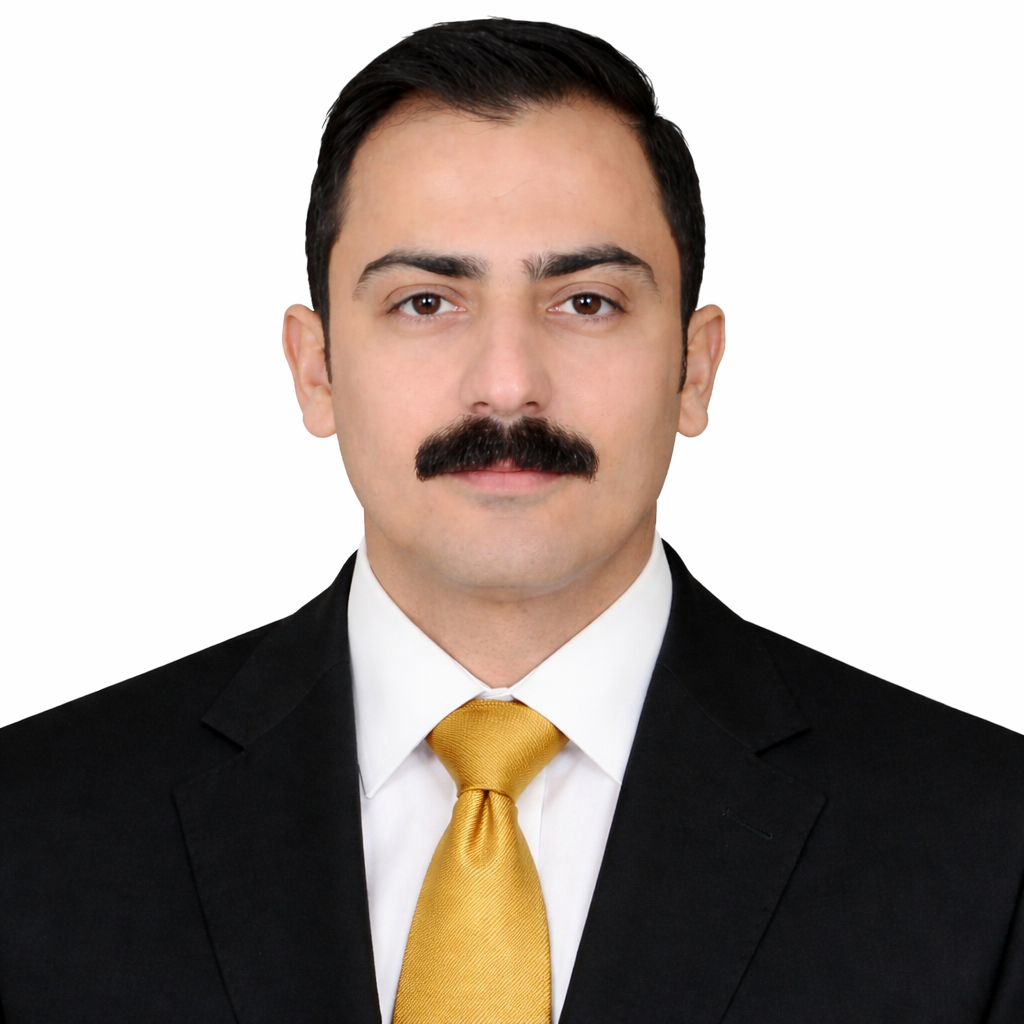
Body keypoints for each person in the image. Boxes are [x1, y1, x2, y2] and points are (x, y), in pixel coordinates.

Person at [0, 17, 1021, 1023]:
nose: (505, 384)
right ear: (316, 370)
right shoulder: (30, 825)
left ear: (694, 369)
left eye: (586, 302)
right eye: (425, 302)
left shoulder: (989, 843)